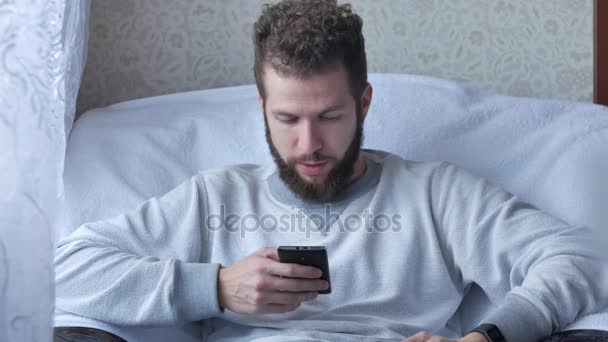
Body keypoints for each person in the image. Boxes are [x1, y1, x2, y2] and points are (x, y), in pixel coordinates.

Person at [55, 1, 608, 341]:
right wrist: (215, 288)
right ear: (262, 109)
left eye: (329, 116)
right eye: (287, 118)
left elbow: (582, 257)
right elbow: (65, 271)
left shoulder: (436, 194)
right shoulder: (215, 198)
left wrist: (490, 337)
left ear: (364, 103)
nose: (309, 144)